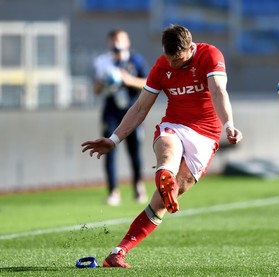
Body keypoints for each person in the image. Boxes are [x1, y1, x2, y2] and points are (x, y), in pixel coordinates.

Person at [82, 24, 243, 268]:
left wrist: (229, 124)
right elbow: (140, 108)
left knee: (161, 202)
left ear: (191, 48)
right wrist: (114, 139)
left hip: (206, 135)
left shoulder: (210, 56)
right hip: (174, 125)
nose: (173, 65)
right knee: (168, 153)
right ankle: (164, 173)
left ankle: (117, 252)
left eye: (178, 60)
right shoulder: (161, 66)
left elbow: (218, 91)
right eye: (170, 60)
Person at [93, 29, 148, 205]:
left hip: (132, 111)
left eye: (120, 40)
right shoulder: (103, 62)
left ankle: (138, 185)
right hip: (111, 110)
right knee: (108, 148)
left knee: (135, 151)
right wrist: (105, 84)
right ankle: (113, 191)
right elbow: (96, 89)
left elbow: (148, 83)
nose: (117, 44)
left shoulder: (136, 60)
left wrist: (128, 80)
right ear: (109, 43)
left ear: (128, 42)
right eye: (114, 41)